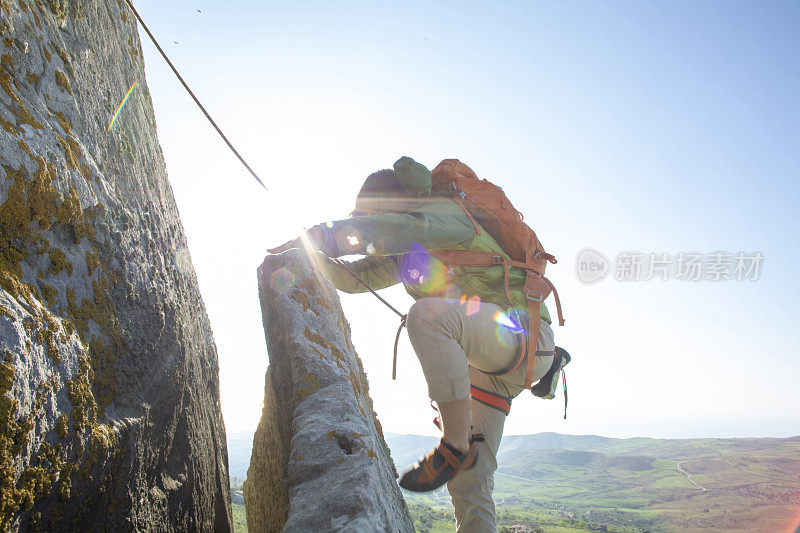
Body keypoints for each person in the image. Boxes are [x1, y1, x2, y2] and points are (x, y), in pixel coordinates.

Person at [268, 157, 559, 532]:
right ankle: (461, 458)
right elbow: (356, 279)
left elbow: (400, 228)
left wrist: (327, 234)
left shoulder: (447, 214)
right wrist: (305, 258)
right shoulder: (410, 252)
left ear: (395, 203)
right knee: (470, 489)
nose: (363, 219)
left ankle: (454, 448)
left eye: (368, 213)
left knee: (426, 316)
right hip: (492, 370)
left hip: (521, 337)